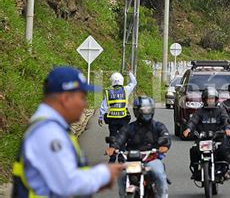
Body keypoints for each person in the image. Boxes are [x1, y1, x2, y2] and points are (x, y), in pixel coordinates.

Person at [12, 66, 124, 197]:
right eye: (82, 97)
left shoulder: (50, 127)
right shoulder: (49, 133)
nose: (85, 105)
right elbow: (69, 184)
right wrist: (104, 174)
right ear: (65, 99)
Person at [106, 96, 171, 198]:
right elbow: (120, 137)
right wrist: (113, 147)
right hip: (131, 160)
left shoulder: (158, 126)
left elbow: (165, 136)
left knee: (159, 173)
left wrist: (164, 145)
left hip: (151, 158)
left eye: (148, 110)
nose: (146, 112)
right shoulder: (129, 127)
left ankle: (163, 196)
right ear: (137, 111)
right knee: (121, 175)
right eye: (143, 110)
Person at [183, 87, 230, 180]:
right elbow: (193, 120)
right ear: (204, 99)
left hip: (218, 136)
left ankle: (224, 170)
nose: (210, 101)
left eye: (212, 98)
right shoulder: (199, 111)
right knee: (194, 150)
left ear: (216, 99)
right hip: (203, 137)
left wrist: (227, 128)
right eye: (208, 99)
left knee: (224, 148)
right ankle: (196, 170)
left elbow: (225, 120)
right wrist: (188, 129)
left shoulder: (220, 110)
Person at [99, 66, 137, 162]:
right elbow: (134, 83)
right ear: (121, 80)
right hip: (123, 119)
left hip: (112, 120)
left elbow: (103, 106)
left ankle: (112, 159)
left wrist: (100, 117)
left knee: (113, 138)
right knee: (123, 138)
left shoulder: (109, 92)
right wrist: (130, 73)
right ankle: (121, 158)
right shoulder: (126, 90)